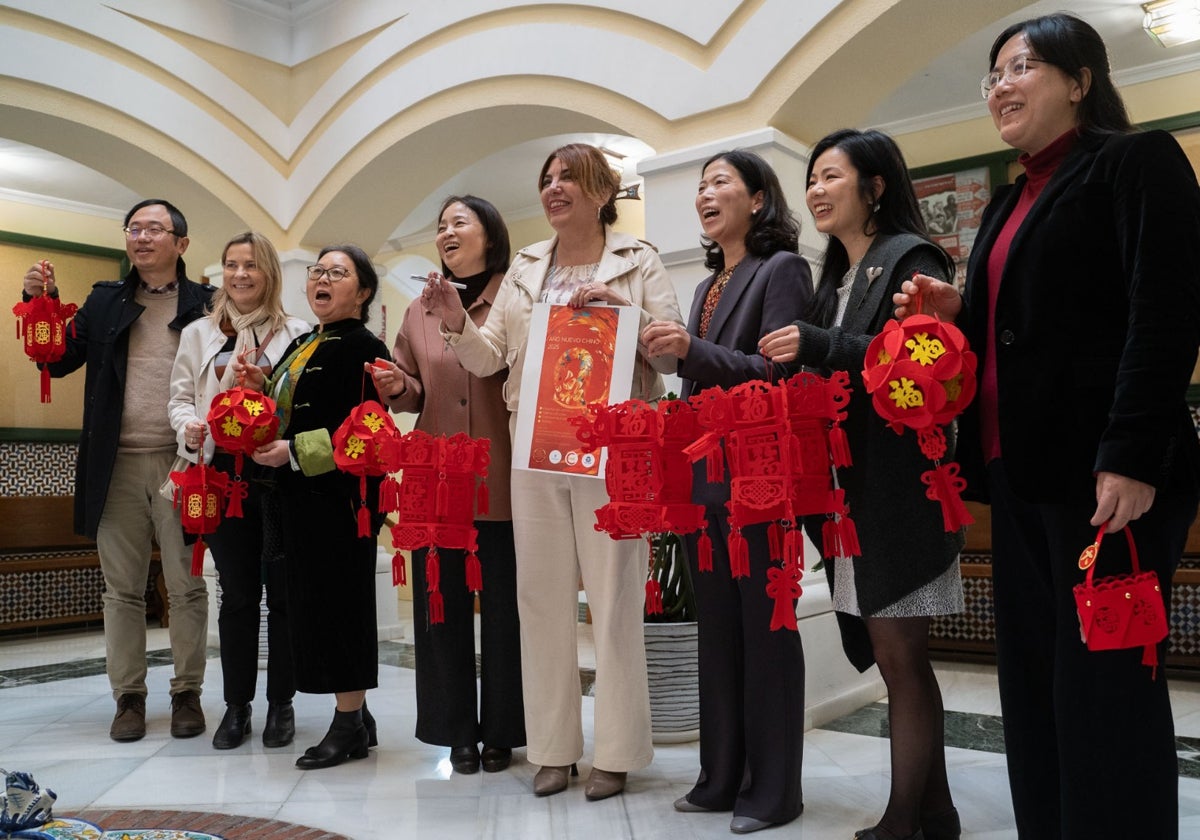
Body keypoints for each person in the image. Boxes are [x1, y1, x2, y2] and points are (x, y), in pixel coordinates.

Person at [895, 14, 1200, 838]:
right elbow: (1016, 324)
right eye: (991, 73)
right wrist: (958, 308)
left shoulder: (1135, 162)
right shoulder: (1005, 200)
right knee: (1032, 684)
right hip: (1019, 472)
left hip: (1106, 480)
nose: (1000, 84)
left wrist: (1132, 455)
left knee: (1103, 688)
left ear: (1080, 79)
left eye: (1021, 66)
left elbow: (1164, 313)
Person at [423, 143, 682, 800]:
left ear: (601, 190)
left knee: (615, 598)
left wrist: (624, 312)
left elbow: (671, 348)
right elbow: (490, 360)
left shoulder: (637, 259)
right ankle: (552, 749)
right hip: (535, 449)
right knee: (538, 600)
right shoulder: (526, 269)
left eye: (569, 176)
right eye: (547, 179)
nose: (554, 187)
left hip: (615, 450)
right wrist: (456, 325)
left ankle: (617, 753)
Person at [758, 129, 964, 840]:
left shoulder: (910, 259)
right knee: (892, 657)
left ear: (875, 186)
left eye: (832, 176)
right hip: (853, 494)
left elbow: (913, 368)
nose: (815, 189)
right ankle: (934, 812)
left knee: (902, 659)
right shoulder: (838, 278)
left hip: (900, 494)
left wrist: (816, 346)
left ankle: (909, 815)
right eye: (811, 178)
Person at [640, 149, 812, 834]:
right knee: (717, 628)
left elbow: (775, 375)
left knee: (767, 630)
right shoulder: (712, 282)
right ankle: (720, 777)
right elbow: (702, 373)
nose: (705, 194)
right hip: (706, 479)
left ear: (759, 200)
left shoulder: (781, 269)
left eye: (721, 183)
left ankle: (774, 790)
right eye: (701, 185)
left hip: (760, 476)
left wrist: (691, 351)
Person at [20, 199, 212, 742]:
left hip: (185, 462)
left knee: (188, 584)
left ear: (181, 242)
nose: (142, 237)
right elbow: (57, 359)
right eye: (134, 228)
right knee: (121, 590)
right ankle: (129, 697)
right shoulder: (105, 301)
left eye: (155, 228)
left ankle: (187, 694)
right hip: (115, 464)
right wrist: (42, 302)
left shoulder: (208, 305)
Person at [369, 195, 526, 774]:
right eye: (440, 226)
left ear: (491, 234)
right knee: (441, 607)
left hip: (503, 476)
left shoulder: (517, 296)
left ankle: (505, 729)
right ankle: (455, 729)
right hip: (437, 478)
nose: (447, 232)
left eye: (460, 222)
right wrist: (395, 384)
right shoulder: (418, 310)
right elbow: (416, 388)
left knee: (507, 609)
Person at [241, 244, 391, 770]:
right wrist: (263, 386)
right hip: (298, 499)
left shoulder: (366, 348)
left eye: (338, 273)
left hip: (341, 502)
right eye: (317, 271)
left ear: (364, 291)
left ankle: (347, 724)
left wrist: (295, 453)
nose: (322, 280)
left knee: (340, 608)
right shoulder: (306, 342)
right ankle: (360, 714)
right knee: (314, 605)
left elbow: (371, 435)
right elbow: (291, 409)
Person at [168, 232, 310, 750]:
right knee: (237, 595)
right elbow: (180, 399)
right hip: (222, 477)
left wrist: (266, 391)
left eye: (251, 265)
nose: (240, 274)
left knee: (284, 595)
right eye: (231, 265)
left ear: (269, 272)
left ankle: (282, 704)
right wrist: (191, 426)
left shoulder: (297, 332)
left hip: (276, 477)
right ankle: (236, 707)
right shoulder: (199, 333)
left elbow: (306, 405)